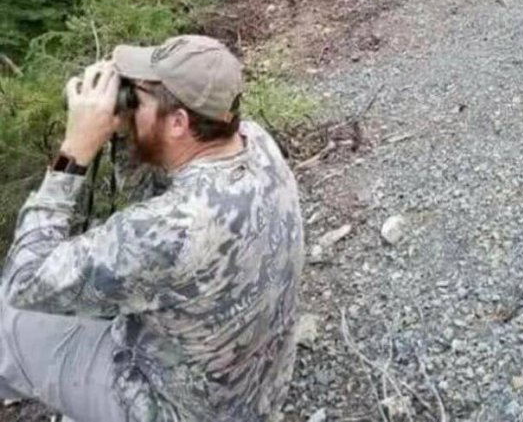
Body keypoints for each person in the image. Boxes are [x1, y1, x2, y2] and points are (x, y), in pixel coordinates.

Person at [0, 35, 304, 422]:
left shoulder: (167, 230)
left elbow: (24, 282)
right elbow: (162, 184)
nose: (126, 103)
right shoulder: (257, 144)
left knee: (4, 316)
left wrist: (73, 153)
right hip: (255, 390)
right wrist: (137, 123)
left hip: (178, 409)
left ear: (178, 123)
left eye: (137, 98)